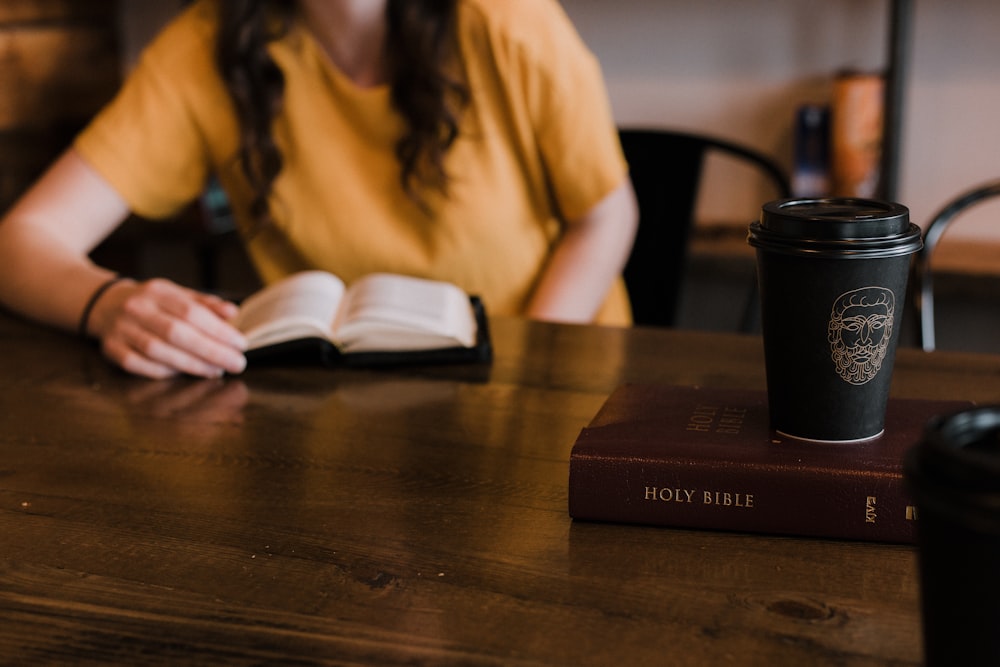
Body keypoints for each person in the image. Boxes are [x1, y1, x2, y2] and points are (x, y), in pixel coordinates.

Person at [0, 0, 637, 379]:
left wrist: (518, 370)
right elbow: (22, 241)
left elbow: (607, 217)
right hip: (348, 413)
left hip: (555, 382)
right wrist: (111, 304)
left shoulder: (507, 19)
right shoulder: (204, 47)